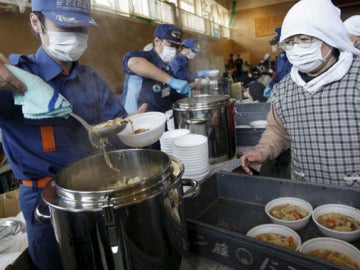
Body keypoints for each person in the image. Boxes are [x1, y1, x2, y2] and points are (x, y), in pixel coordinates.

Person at [0, 1, 146, 269]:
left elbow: (115, 128)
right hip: (47, 201)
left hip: (95, 191)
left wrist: (130, 127)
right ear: (36, 22)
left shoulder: (90, 79)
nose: (75, 35)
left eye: (81, 27)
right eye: (65, 25)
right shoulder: (16, 79)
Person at [241, 0, 360, 186]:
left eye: (305, 40)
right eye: (289, 42)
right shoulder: (286, 88)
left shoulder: (356, 77)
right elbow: (278, 130)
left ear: (331, 37)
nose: (297, 48)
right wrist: (263, 151)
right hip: (304, 192)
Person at [120, 24, 190, 114]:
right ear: (157, 41)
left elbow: (170, 95)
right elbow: (134, 63)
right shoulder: (143, 56)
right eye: (170, 44)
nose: (174, 50)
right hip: (135, 118)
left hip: (157, 119)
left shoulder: (167, 69)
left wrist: (186, 94)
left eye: (177, 46)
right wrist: (171, 81)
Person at [263, 27, 292, 98]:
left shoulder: (295, 56)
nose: (277, 46)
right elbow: (278, 75)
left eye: (279, 43)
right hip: (283, 91)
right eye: (276, 43)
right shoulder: (280, 58)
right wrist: (270, 86)